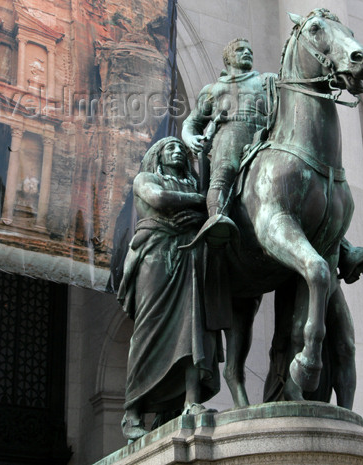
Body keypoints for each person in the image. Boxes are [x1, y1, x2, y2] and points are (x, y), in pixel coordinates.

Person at [117, 137, 220, 440]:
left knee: (192, 329)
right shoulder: (145, 178)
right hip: (155, 254)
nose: (177, 151)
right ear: (157, 156)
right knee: (148, 329)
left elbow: (208, 213)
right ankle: (133, 411)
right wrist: (202, 200)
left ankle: (190, 401)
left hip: (189, 253)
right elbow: (159, 198)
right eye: (170, 148)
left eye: (181, 149)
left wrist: (203, 206)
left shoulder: (191, 185)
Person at [182, 38, 275, 239]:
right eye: (240, 50)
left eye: (249, 50)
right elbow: (192, 122)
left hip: (267, 135)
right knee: (225, 170)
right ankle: (217, 218)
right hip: (232, 131)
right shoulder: (213, 89)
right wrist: (189, 137)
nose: (247, 53)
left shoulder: (266, 81)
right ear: (228, 58)